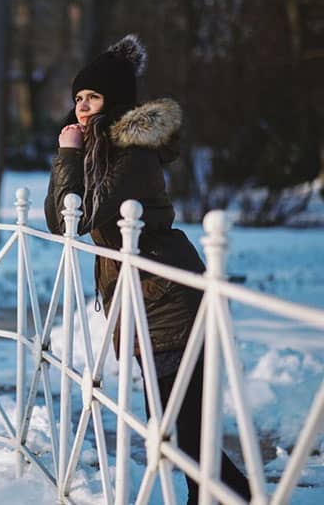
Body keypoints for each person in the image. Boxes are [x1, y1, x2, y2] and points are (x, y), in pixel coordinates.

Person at [43, 34, 251, 504]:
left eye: (91, 97)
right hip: (144, 300)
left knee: (186, 427)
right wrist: (68, 155)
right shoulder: (100, 152)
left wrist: (71, 157)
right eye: (77, 97)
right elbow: (62, 221)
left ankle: (245, 496)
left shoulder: (133, 156)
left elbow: (90, 214)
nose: (81, 106)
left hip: (167, 299)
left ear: (112, 101)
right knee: (183, 427)